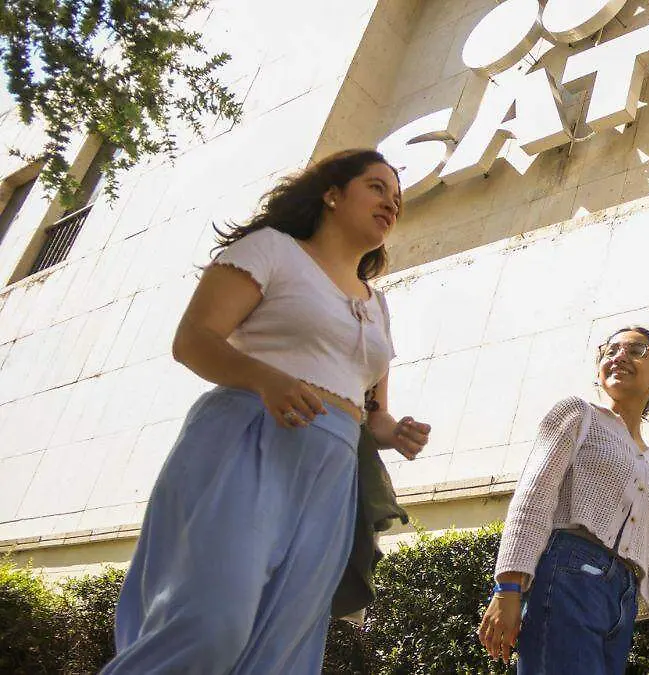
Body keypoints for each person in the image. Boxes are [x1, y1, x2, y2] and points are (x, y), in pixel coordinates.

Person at [101, 149, 431, 674]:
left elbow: (374, 412)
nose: (391, 204)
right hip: (248, 439)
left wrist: (395, 431)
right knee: (211, 624)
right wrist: (265, 378)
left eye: (398, 198)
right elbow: (193, 340)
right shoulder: (272, 249)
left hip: (332, 475)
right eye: (376, 187)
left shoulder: (377, 303)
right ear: (332, 194)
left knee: (283, 652)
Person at [479, 327, 649, 675]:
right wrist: (507, 588)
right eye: (610, 350)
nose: (618, 356)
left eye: (635, 350)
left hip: (623, 604)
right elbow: (533, 497)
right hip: (567, 578)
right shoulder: (578, 415)